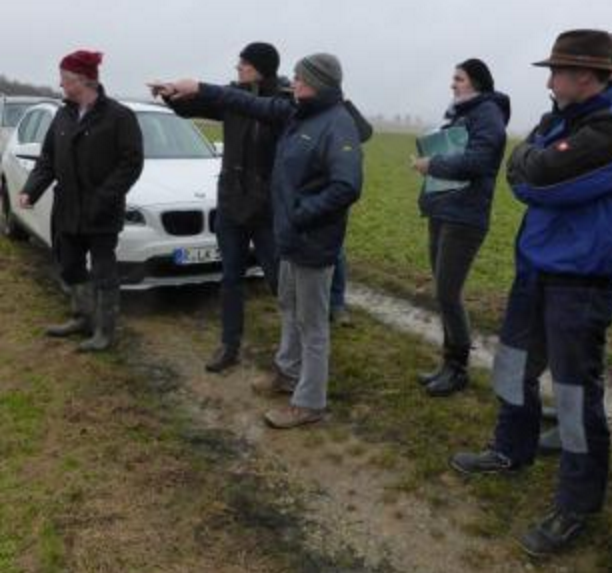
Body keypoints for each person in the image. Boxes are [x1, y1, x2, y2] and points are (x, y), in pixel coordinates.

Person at [450, 30, 612, 558]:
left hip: (581, 280)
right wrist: (533, 162)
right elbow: (524, 167)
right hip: (535, 267)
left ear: (588, 74)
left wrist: (533, 163)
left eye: (557, 70)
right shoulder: (563, 118)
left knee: (576, 396)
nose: (549, 79)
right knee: (513, 368)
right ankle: (511, 450)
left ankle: (578, 503)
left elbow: (540, 180)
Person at [150, 52, 363, 429]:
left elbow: (346, 186)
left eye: (299, 77)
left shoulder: (337, 123)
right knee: (288, 307)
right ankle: (286, 372)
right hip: (291, 236)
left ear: (318, 81)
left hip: (312, 240)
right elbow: (242, 101)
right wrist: (195, 88)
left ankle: (310, 402)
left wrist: (299, 214)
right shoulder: (299, 113)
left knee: (313, 325)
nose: (292, 81)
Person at [539, 32, 612, 457]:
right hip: (588, 241)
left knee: (582, 356)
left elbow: (556, 172)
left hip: (597, 245)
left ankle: (576, 435)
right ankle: (570, 420)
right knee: (576, 354)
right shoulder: (610, 108)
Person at [165, 42, 287, 373]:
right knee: (230, 278)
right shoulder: (232, 99)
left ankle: (293, 348)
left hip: (267, 210)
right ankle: (229, 345)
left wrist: (205, 87)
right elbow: (192, 108)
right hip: (231, 204)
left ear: (260, 68)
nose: (237, 69)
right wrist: (171, 94)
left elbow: (250, 105)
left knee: (279, 281)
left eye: (243, 64)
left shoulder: (283, 100)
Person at [19, 50, 144, 352]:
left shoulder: (119, 116)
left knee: (103, 271)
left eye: (64, 80)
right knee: (70, 265)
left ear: (83, 81)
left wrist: (104, 197)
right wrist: (31, 189)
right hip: (67, 208)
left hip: (102, 210)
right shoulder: (63, 114)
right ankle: (82, 317)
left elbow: (131, 163)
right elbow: (48, 158)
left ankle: (105, 331)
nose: (60, 85)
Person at [411, 59, 510, 396]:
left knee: (448, 293)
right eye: (453, 78)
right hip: (444, 209)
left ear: (477, 82)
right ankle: (447, 363)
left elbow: (479, 161)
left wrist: (432, 164)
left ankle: (458, 369)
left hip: (465, 216)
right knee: (443, 290)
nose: (453, 84)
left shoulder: (488, 114)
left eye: (459, 78)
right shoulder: (460, 112)